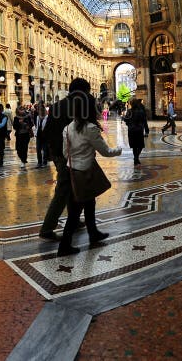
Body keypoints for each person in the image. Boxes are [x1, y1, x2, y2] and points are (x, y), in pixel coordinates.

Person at [57, 93, 122, 256]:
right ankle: (64, 246)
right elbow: (106, 152)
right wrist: (119, 150)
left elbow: (65, 153)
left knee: (89, 203)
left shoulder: (67, 128)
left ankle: (93, 233)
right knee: (75, 211)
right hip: (85, 172)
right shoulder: (90, 129)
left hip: (72, 171)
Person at [39, 78, 92, 241]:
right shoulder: (80, 107)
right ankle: (47, 229)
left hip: (57, 152)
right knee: (63, 189)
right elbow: (85, 132)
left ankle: (74, 221)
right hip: (71, 154)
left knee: (70, 187)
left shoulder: (56, 106)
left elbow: (45, 130)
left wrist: (50, 153)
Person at [125, 98, 149, 166]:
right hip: (139, 130)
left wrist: (129, 125)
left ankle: (136, 158)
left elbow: (126, 120)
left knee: (134, 146)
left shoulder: (129, 111)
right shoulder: (141, 111)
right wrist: (146, 129)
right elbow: (144, 121)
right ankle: (136, 158)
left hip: (131, 130)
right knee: (140, 145)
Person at [34, 103, 49, 168]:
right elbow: (37, 126)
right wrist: (36, 133)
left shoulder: (47, 117)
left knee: (45, 149)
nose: (38, 111)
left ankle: (44, 162)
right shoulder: (37, 117)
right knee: (38, 149)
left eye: (39, 109)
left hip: (45, 136)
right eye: (37, 110)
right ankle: (39, 162)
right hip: (38, 135)